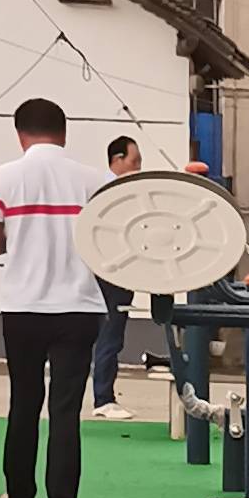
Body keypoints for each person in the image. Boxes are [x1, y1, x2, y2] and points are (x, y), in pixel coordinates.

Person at [0, 93, 100, 498]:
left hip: (23, 306)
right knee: (66, 409)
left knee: (24, 402)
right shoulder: (92, 180)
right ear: (64, 134)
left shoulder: (5, 176)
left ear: (19, 134)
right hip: (80, 307)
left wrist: (26, 237)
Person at [86, 132, 145, 412]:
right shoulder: (110, 194)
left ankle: (104, 395)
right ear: (117, 160)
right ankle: (103, 398)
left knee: (111, 336)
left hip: (116, 274)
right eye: (135, 161)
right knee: (110, 336)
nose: (138, 168)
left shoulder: (115, 193)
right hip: (109, 275)